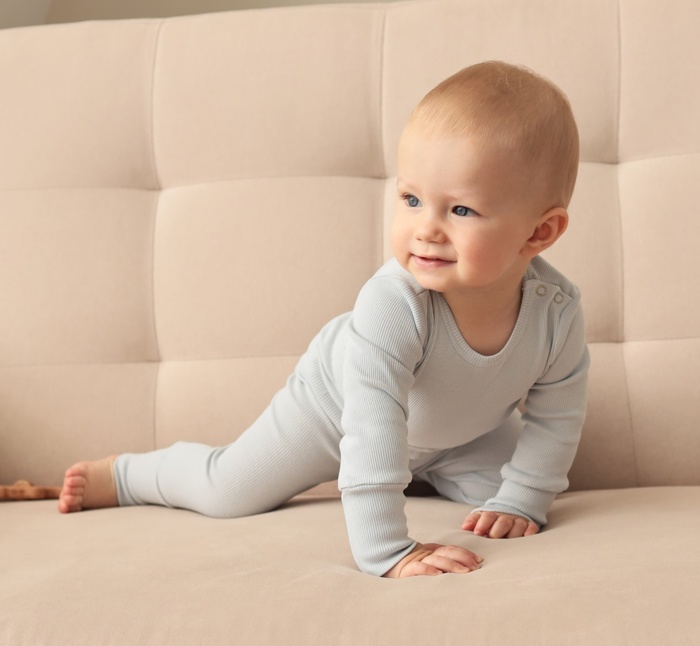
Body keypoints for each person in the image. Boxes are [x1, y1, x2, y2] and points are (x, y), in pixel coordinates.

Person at [58, 61, 589, 579]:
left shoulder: (557, 313)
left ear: (539, 233)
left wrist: (522, 499)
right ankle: (127, 476)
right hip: (333, 412)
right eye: (411, 199)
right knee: (228, 491)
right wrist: (388, 551)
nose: (425, 229)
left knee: (504, 503)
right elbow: (372, 430)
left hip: (464, 438)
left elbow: (557, 418)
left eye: (460, 210)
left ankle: (427, 474)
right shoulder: (394, 304)